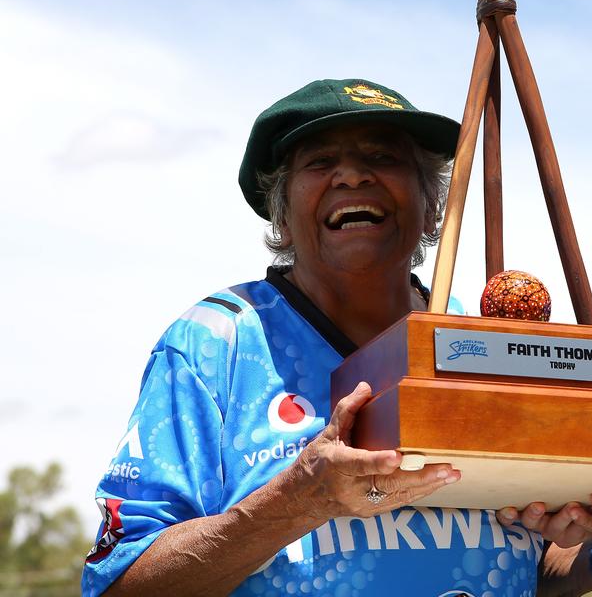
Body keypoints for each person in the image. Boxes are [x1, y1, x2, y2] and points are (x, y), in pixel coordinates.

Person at [83, 78, 549, 596]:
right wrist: (298, 501)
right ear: (281, 211)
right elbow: (116, 585)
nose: (351, 174)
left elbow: (535, 558)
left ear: (433, 203)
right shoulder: (213, 343)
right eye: (319, 162)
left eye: (382, 155)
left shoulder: (481, 343)